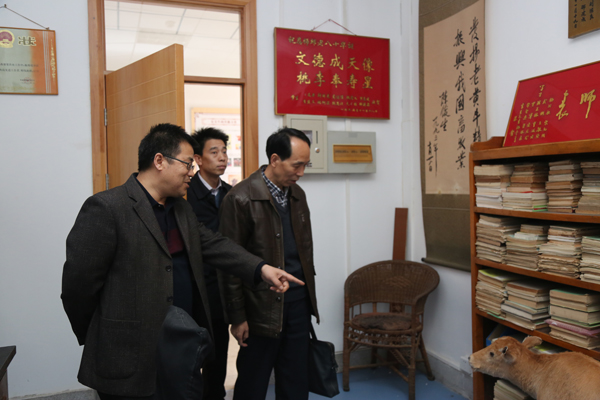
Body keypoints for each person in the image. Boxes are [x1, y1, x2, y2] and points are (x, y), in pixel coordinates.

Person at [61, 123, 303, 400]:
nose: (192, 172)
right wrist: (100, 333)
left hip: (177, 349)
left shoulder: (181, 208)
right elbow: (78, 287)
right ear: (159, 161)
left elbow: (213, 244)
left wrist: (261, 268)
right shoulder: (107, 207)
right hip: (126, 353)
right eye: (187, 164)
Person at [218, 127, 319, 400]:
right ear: (275, 159)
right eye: (296, 165)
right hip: (259, 310)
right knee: (253, 384)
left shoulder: (297, 195)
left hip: (297, 305)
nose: (301, 172)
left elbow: (304, 252)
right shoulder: (239, 198)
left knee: (295, 382)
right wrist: (237, 317)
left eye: (305, 165)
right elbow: (229, 264)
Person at [187, 127, 231, 400]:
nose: (222, 157)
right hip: (192, 287)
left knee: (218, 351)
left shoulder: (231, 194)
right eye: (214, 152)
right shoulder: (185, 193)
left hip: (221, 288)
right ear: (198, 159)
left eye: (224, 151)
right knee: (190, 353)